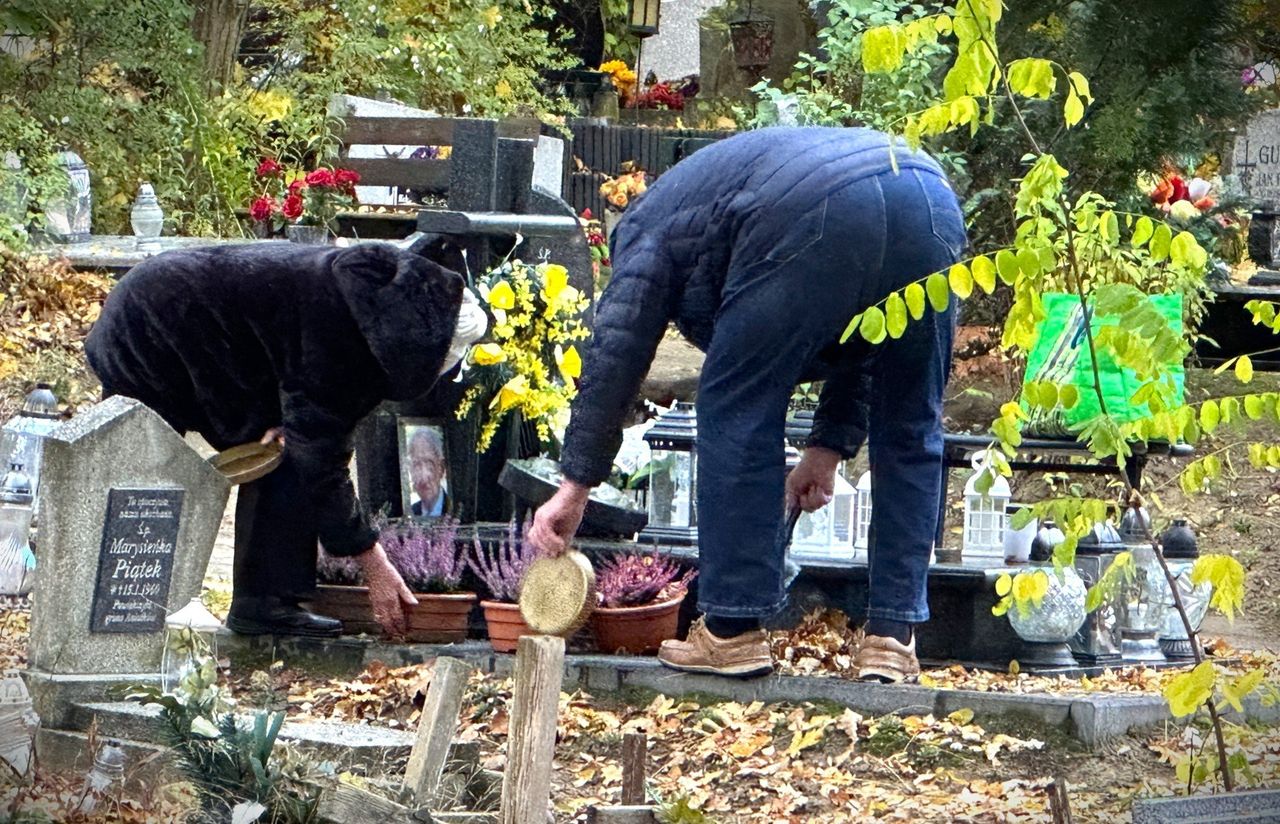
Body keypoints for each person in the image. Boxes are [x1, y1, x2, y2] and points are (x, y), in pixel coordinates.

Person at [527, 127, 966, 683]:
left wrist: (575, 485)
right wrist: (827, 449)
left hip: (811, 212)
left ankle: (731, 632)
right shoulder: (713, 191)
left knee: (737, 401)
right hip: (929, 203)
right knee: (910, 420)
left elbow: (618, 347)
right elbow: (864, 339)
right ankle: (892, 638)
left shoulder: (644, 226)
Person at [85, 240, 486, 638]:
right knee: (139, 488)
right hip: (152, 326)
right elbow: (322, 460)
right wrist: (372, 559)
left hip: (189, 314)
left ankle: (264, 604)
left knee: (285, 449)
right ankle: (116, 611)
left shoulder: (381, 293)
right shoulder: (346, 339)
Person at [407, 427, 448, 517]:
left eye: (429, 464)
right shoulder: (411, 513)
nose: (423, 476)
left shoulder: (455, 510)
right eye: (416, 465)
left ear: (441, 468)